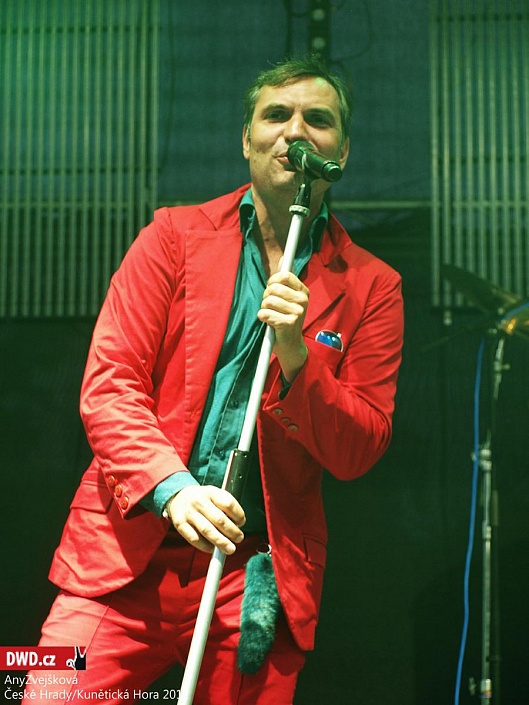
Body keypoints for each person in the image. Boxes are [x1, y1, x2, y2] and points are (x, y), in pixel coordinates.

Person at [23, 55, 403, 705]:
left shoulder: (374, 285)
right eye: (276, 115)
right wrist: (173, 491)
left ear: (341, 150)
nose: (295, 131)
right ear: (245, 139)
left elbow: (358, 448)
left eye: (317, 119)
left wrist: (296, 355)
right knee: (39, 692)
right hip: (120, 553)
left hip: (256, 574)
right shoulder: (170, 235)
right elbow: (109, 385)